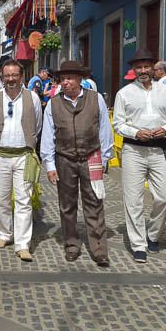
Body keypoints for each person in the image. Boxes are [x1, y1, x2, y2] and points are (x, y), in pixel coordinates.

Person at [112, 48, 166, 263]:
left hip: (159, 148)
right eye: (138, 67)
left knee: (165, 196)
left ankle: (152, 233)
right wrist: (135, 132)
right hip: (134, 149)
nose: (143, 70)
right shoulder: (124, 93)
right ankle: (138, 244)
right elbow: (118, 123)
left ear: (153, 67)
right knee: (133, 199)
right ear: (133, 69)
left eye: (146, 66)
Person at [41, 61, 113, 267]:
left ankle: (99, 249)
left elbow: (105, 131)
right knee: (67, 205)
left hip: (91, 157)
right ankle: (71, 244)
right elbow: (48, 135)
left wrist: (104, 158)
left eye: (70, 78)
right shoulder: (53, 104)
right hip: (64, 159)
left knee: (94, 203)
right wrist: (50, 165)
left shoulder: (95, 99)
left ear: (80, 79)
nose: (65, 82)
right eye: (62, 79)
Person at [0, 59, 42, 261]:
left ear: (21, 76)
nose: (10, 79)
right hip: (0, 156)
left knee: (24, 200)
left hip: (24, 156)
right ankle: (4, 234)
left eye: (14, 75)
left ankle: (23, 244)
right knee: (1, 199)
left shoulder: (32, 97)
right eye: (7, 75)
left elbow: (37, 125)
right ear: (1, 76)